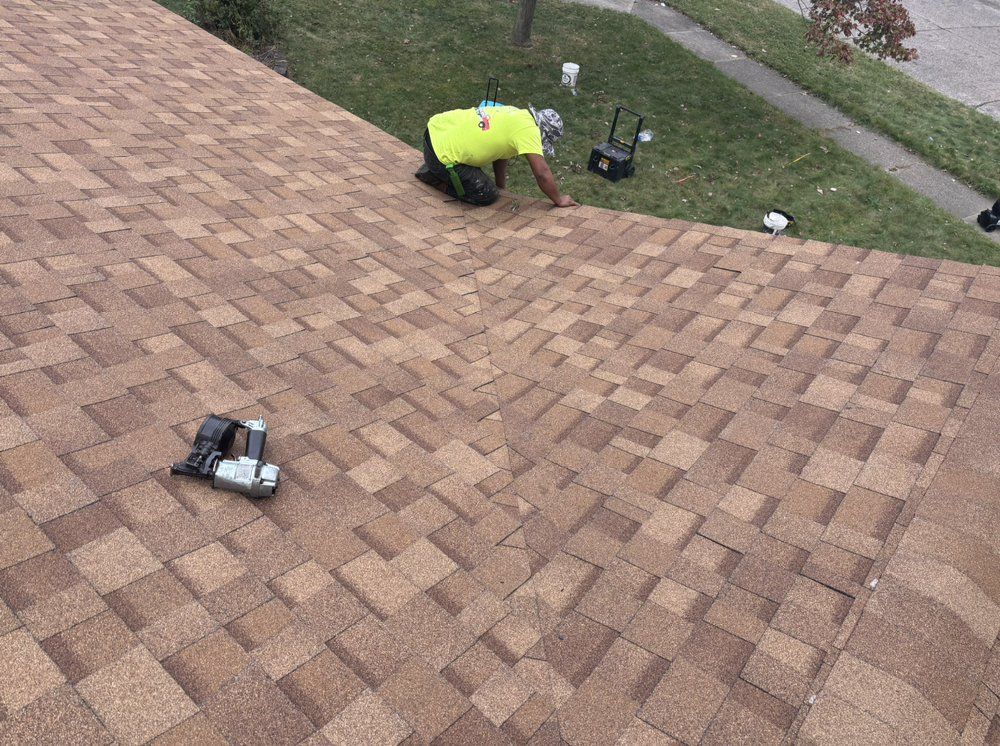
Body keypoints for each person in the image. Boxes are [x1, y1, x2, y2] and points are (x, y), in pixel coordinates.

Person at [416, 104, 578, 208]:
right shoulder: (529, 132)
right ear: (543, 133)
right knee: (486, 193)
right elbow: (542, 173)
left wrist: (501, 186)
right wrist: (559, 199)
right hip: (441, 157)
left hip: (435, 132)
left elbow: (502, 155)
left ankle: (438, 170)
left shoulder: (516, 114)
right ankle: (437, 178)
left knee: (494, 189)